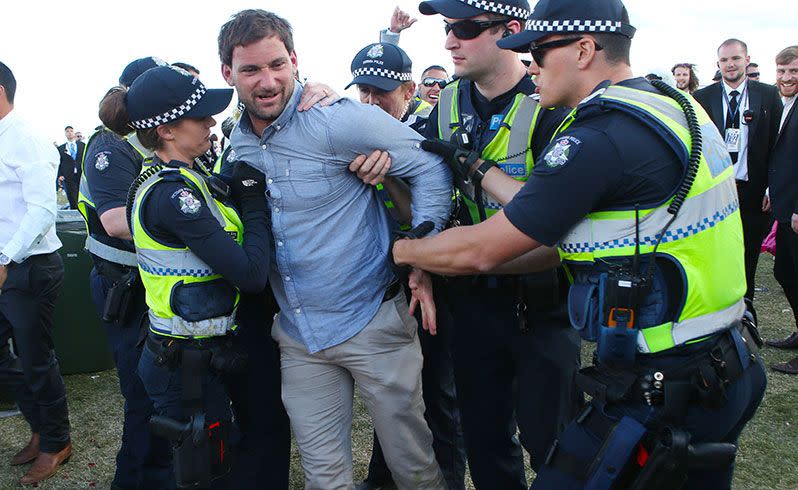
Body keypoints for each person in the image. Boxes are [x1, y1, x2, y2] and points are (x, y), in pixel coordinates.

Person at [392, 0, 767, 487]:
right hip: (724, 357)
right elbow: (545, 202)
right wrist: (476, 167)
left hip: (666, 379)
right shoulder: (670, 104)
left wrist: (401, 252)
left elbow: (481, 250)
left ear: (585, 49)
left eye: (538, 53)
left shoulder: (599, 137)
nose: (531, 66)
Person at [219, 9, 452, 489]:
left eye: (277, 65)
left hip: (373, 321)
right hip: (300, 335)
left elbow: (431, 166)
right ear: (228, 74)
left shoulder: (337, 120)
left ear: (294, 60)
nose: (267, 81)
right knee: (324, 477)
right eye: (251, 70)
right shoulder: (236, 145)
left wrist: (423, 253)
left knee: (413, 469)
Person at [416, 0, 581, 487]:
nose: (450, 42)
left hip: (540, 305)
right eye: (448, 29)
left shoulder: (552, 103)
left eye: (465, 29)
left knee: (556, 444)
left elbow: (562, 229)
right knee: (486, 440)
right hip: (467, 302)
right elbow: (425, 185)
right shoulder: (446, 101)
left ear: (513, 31)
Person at [101, 64, 271, 489]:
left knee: (212, 460)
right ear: (167, 131)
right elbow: (250, 275)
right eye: (200, 116)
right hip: (185, 364)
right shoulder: (174, 195)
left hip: (194, 352)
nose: (212, 123)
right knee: (206, 470)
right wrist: (253, 205)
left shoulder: (187, 179)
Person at [347, 42, 466, 490]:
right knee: (391, 393)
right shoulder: (358, 131)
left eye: (382, 92)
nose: (371, 102)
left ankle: (448, 481)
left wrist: (392, 176)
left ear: (410, 88)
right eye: (363, 91)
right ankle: (382, 479)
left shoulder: (424, 133)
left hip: (434, 277)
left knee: (437, 392)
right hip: (388, 281)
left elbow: (428, 213)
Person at [78, 56, 173, 490]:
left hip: (152, 284)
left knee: (162, 391)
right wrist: (194, 231)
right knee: (142, 395)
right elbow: (116, 221)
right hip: (124, 286)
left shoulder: (149, 147)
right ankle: (134, 480)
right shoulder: (109, 147)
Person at [0, 60, 72, 485]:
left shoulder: (25, 138)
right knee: (11, 361)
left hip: (27, 268)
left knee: (36, 360)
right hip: (7, 264)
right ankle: (40, 427)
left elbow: (43, 209)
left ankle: (56, 441)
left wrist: (5, 259)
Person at [694, 39, 783, 307]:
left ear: (746, 60)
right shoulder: (703, 97)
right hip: (716, 190)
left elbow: (777, 145)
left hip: (752, 190)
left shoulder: (767, 94)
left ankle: (746, 312)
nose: (730, 65)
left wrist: (770, 188)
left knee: (748, 255)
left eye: (735, 59)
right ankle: (717, 307)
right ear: (718, 64)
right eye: (724, 61)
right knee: (715, 252)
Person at [765, 46, 798, 371]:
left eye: (794, 72)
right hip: (784, 205)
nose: (787, 78)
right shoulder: (786, 103)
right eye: (782, 71)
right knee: (783, 271)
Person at [57, 125, 86, 209]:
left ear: (74, 133)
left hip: (81, 175)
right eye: (67, 131)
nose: (69, 133)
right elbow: (59, 162)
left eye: (71, 131)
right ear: (65, 134)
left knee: (82, 194)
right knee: (72, 196)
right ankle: (74, 212)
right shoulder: (61, 148)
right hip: (68, 175)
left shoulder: (82, 145)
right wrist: (60, 174)